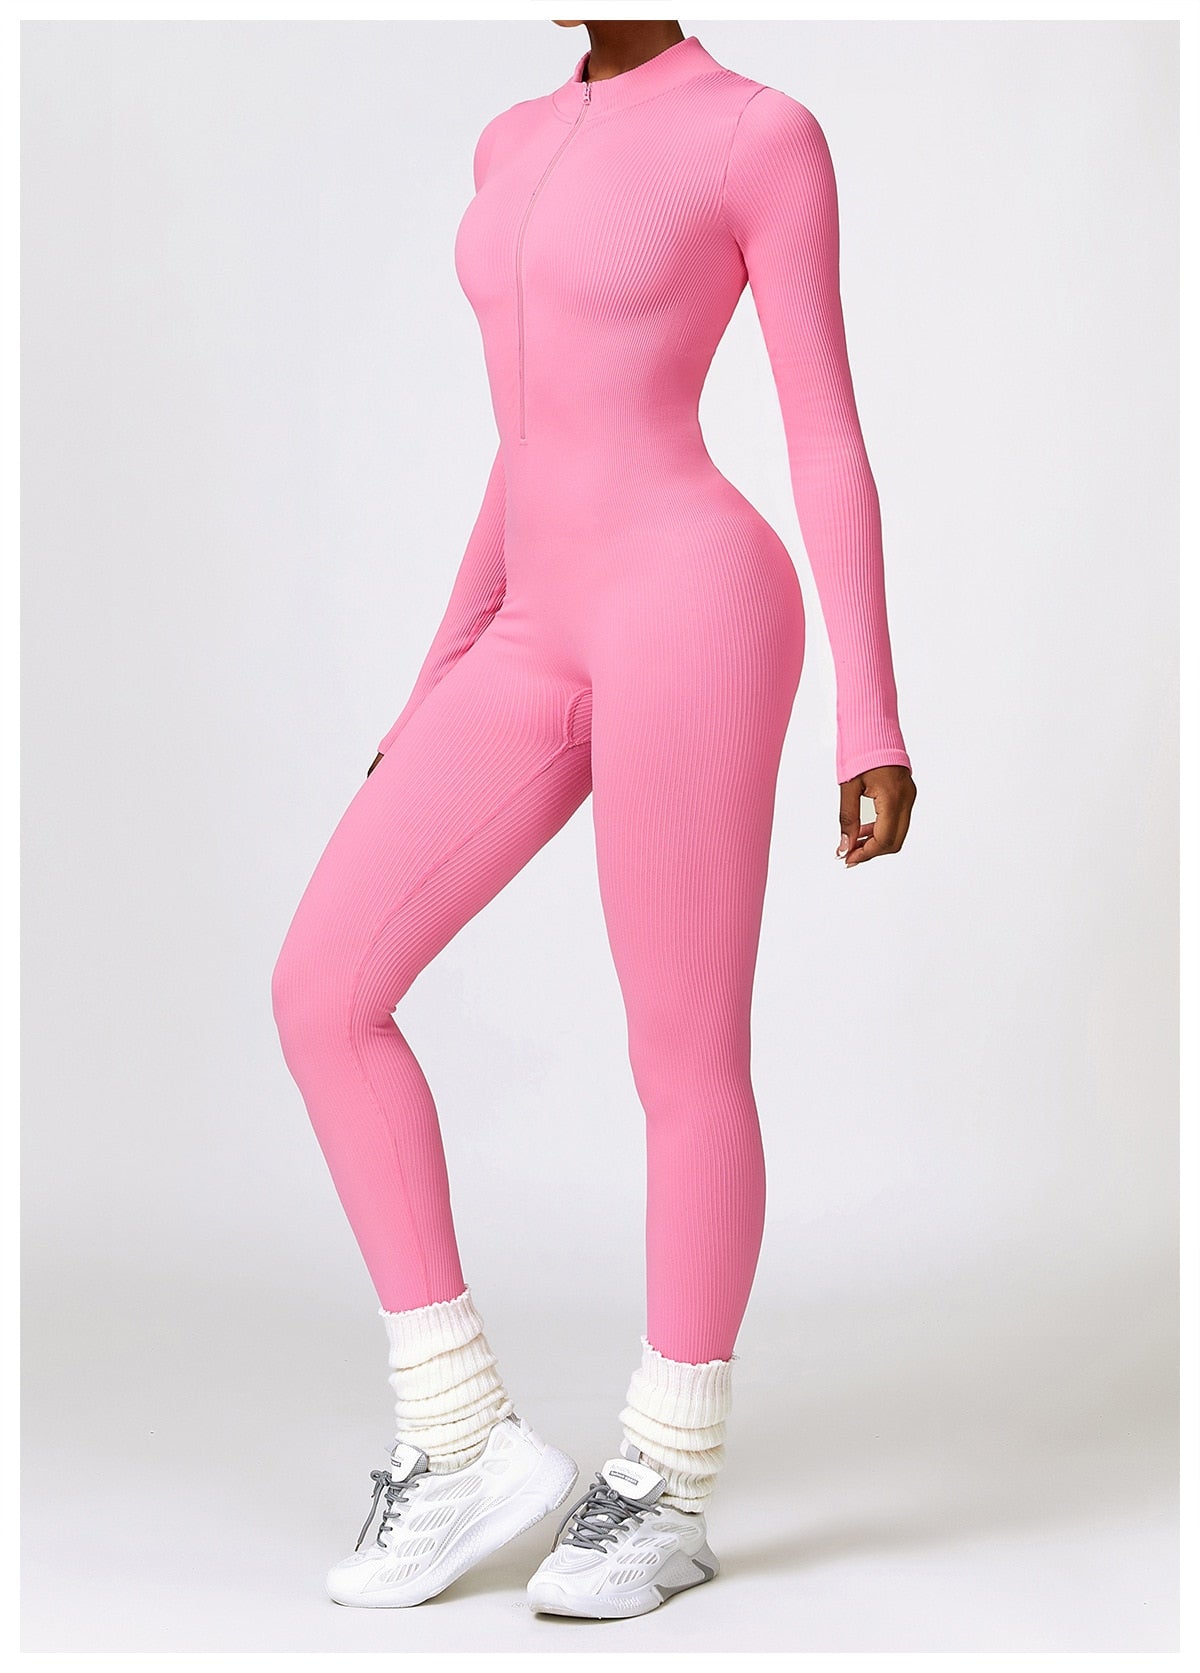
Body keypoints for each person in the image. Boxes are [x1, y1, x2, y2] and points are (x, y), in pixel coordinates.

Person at [271, 17, 917, 1621]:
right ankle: (459, 1435)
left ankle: (668, 1483)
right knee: (323, 988)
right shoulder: (509, 139)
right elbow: (530, 442)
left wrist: (872, 710)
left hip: (694, 604)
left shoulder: (758, 132)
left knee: (680, 1051)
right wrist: (436, 680)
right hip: (533, 618)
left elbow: (823, 426)